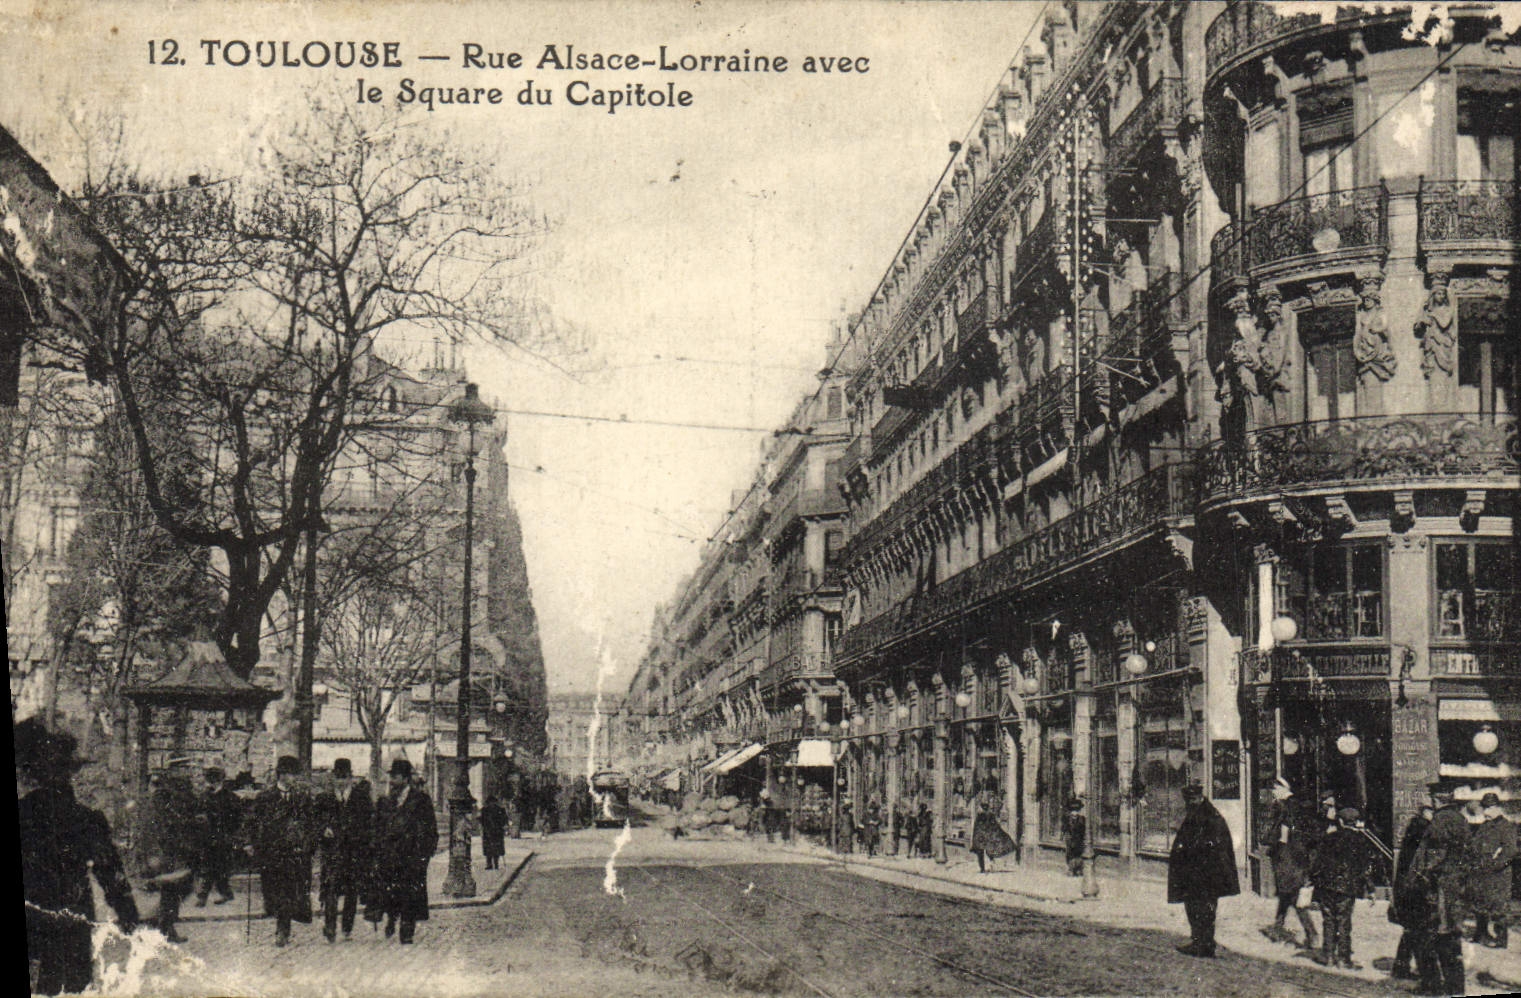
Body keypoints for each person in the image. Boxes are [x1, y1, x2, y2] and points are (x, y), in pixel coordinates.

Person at [18, 718, 139, 995]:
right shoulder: (86, 818)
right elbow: (111, 874)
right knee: (73, 986)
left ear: (31, 774)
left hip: (33, 917)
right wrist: (129, 917)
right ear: (70, 773)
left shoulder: (24, 814)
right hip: (73, 917)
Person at [1409, 783, 1471, 997]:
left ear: (1437, 800)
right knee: (1451, 937)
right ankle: (1455, 986)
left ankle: (1432, 985)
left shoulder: (1440, 820)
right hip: (1455, 887)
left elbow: (1436, 853)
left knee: (1428, 936)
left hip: (1438, 887)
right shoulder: (1461, 819)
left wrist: (1423, 875)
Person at [249, 755, 317, 947]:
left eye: (295, 774)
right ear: (281, 775)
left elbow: (311, 823)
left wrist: (308, 845)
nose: (294, 778)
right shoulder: (265, 797)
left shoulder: (302, 798)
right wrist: (250, 844)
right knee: (275, 891)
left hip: (295, 854)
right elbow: (253, 822)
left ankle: (283, 930)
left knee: (291, 891)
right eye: (290, 774)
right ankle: (281, 925)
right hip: (273, 853)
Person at [1167, 782, 1239, 958]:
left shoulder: (1208, 817)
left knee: (1202, 908)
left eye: (1190, 799)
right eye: (1187, 799)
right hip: (1198, 873)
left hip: (1204, 874)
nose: (1188, 803)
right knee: (1197, 907)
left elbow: (1211, 846)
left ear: (1198, 798)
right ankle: (1201, 941)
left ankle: (1203, 944)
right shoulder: (1200, 813)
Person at [371, 758, 437, 944]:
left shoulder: (421, 800)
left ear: (406, 779)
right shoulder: (385, 801)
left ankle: (407, 930)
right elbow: (376, 827)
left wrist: (425, 854)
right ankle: (392, 918)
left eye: (396, 777)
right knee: (391, 893)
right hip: (390, 856)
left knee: (409, 894)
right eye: (391, 776)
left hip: (411, 856)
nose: (392, 781)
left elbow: (430, 828)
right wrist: (377, 849)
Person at [1310, 806, 1377, 970]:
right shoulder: (1360, 840)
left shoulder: (1329, 838)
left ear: (1340, 821)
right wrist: (1371, 889)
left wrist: (1315, 883)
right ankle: (1343, 959)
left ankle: (1328, 956)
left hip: (1327, 887)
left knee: (1328, 920)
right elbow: (1365, 868)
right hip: (1347, 888)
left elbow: (1317, 863)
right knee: (1344, 923)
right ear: (1356, 822)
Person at [314, 758, 373, 943]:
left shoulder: (361, 798)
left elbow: (369, 823)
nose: (340, 781)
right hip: (332, 853)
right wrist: (323, 828)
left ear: (350, 777)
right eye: (337, 777)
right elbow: (315, 820)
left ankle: (347, 928)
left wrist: (361, 839)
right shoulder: (324, 798)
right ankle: (330, 927)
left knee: (351, 892)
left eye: (344, 777)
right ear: (333, 778)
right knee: (331, 890)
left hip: (354, 853)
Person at [140, 766, 202, 943]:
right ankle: (164, 925)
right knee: (174, 888)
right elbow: (165, 823)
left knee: (180, 887)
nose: (186, 773)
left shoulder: (180, 793)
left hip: (181, 848)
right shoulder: (163, 796)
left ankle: (161, 922)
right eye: (181, 769)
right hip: (170, 850)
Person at [1262, 778, 1319, 950]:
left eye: (1274, 790)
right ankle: (1278, 927)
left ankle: (1312, 934)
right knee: (1285, 895)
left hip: (1290, 858)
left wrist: (1275, 847)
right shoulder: (1297, 806)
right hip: (1297, 857)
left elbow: (1284, 835)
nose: (1273, 795)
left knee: (1293, 896)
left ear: (1280, 788)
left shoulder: (1286, 807)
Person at [1389, 789, 1437, 982]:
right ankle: (1419, 969)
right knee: (1419, 929)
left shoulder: (1414, 827)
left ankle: (1401, 966)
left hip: (1406, 885)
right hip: (1414, 886)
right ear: (1428, 811)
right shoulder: (1423, 829)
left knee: (1411, 928)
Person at [1468, 791, 1516, 949]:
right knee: (1479, 902)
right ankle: (1480, 934)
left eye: (1489, 808)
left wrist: (1495, 865)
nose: (1486, 811)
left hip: (1498, 875)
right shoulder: (1485, 826)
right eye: (1485, 808)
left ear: (1497, 808)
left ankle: (1501, 939)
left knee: (1499, 907)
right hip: (1482, 871)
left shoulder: (1506, 826)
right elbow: (1475, 845)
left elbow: (1510, 851)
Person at [194, 766, 242, 907]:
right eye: (210, 781)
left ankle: (207, 896)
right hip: (208, 838)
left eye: (214, 781)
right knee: (209, 867)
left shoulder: (231, 798)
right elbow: (198, 814)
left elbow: (237, 819)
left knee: (219, 868)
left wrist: (231, 835)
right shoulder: (204, 796)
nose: (211, 784)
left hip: (223, 838)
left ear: (220, 781)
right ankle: (223, 894)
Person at [971, 789, 1015, 874]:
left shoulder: (981, 814)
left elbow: (977, 827)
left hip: (981, 836)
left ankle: (983, 868)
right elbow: (994, 825)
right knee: (988, 850)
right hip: (985, 835)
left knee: (982, 851)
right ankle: (986, 867)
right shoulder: (988, 814)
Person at [481, 795, 507, 871]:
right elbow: (482, 820)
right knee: (489, 848)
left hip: (496, 832)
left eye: (493, 802)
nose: (492, 803)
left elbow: (504, 820)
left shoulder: (500, 810)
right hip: (489, 832)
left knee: (495, 848)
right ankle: (489, 864)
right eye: (490, 802)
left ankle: (495, 864)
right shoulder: (485, 810)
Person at [1062, 798, 1086, 876]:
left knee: (1078, 853)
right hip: (1070, 839)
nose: (1074, 813)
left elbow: (1083, 830)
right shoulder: (1066, 819)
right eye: (1072, 811)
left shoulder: (1082, 819)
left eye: (1076, 811)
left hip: (1079, 839)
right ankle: (1071, 869)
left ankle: (1078, 869)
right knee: (1070, 854)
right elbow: (1064, 829)